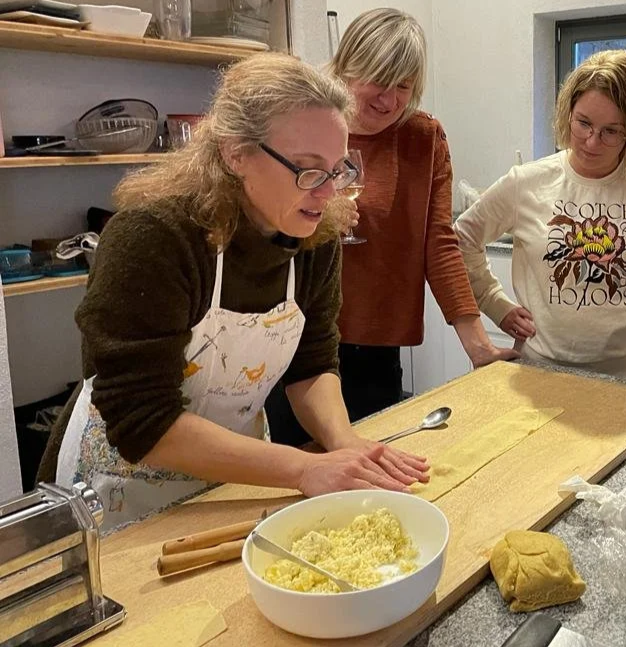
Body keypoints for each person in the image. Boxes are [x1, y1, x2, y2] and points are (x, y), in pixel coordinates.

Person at [37, 53, 429, 529]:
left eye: (337, 169)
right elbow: (142, 420)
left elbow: (311, 365)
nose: (328, 193)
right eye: (306, 169)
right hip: (119, 489)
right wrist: (304, 467)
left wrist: (343, 442)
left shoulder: (315, 237)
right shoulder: (155, 237)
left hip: (238, 476)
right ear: (235, 153)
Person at [328, 8, 517, 421]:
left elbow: (440, 243)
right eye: (378, 79)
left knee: (372, 460)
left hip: (373, 340)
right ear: (346, 68)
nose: (389, 99)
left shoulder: (422, 138)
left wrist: (479, 346)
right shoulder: (306, 123)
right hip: (298, 335)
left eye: (403, 85)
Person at [454, 49, 626, 382]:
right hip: (541, 370)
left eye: (612, 131)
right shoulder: (526, 182)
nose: (591, 142)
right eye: (583, 123)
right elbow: (461, 239)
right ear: (567, 112)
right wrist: (495, 304)